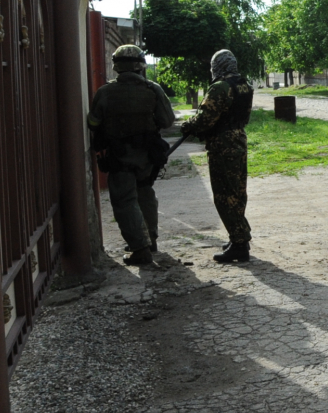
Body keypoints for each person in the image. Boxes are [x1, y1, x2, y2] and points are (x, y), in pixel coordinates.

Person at [88, 44, 174, 266]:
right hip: (147, 156)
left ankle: (139, 248)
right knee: (145, 193)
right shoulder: (153, 89)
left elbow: (93, 122)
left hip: (120, 155)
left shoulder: (105, 92)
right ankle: (150, 239)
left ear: (116, 65)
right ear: (140, 65)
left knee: (125, 200)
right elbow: (167, 121)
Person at [182, 49, 255, 263]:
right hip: (239, 138)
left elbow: (206, 119)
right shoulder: (244, 85)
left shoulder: (220, 87)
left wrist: (188, 126)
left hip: (222, 144)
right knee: (237, 191)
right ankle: (239, 237)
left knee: (225, 194)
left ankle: (239, 244)